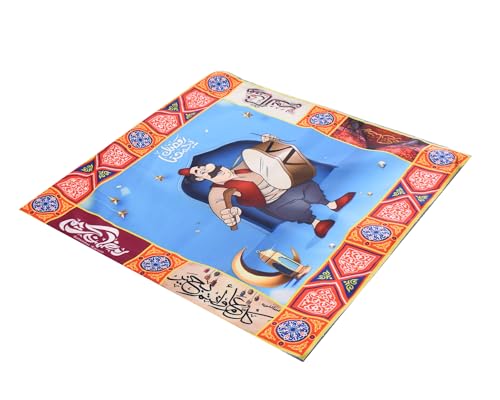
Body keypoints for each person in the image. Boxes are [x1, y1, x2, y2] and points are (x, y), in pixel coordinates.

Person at [178, 134, 355, 238]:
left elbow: (269, 157)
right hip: (273, 203)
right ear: (200, 179)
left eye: (202, 167)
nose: (202, 169)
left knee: (309, 188)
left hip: (286, 187)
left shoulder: (242, 163)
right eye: (198, 172)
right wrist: (227, 215)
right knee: (295, 211)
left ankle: (332, 205)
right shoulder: (218, 190)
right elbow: (218, 204)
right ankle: (317, 224)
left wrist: (271, 143)